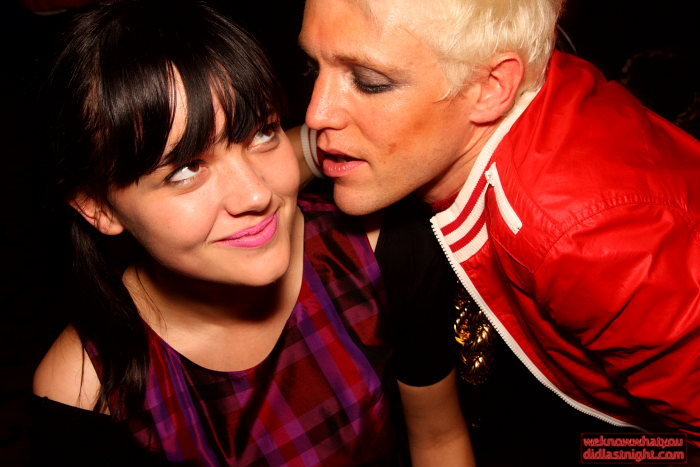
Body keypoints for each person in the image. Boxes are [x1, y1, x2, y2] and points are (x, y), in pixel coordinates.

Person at [31, 0, 474, 465]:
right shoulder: (83, 388)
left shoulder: (378, 251)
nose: (257, 195)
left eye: (262, 133)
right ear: (98, 207)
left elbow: (439, 440)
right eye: (186, 169)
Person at [296, 0, 700, 463]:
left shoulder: (581, 237)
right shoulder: (522, 90)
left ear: (491, 87)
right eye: (313, 68)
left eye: (369, 81)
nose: (316, 113)